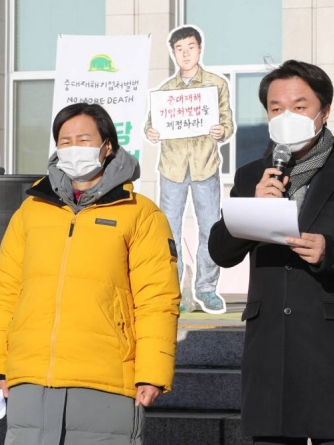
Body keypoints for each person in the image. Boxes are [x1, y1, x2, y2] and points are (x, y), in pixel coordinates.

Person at [208, 60, 334, 444]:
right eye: (275, 108)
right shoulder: (251, 175)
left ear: (324, 112)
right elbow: (221, 251)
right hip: (271, 347)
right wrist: (253, 205)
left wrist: (332, 250)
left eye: (299, 106)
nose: (285, 116)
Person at [0, 103, 181, 444]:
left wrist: (152, 373)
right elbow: (5, 292)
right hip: (29, 380)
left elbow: (157, 299)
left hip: (106, 381)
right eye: (65, 140)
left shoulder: (141, 214)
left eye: (83, 139)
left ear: (107, 146)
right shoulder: (31, 210)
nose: (73, 148)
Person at [145, 25, 235, 314]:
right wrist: (151, 132)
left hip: (204, 166)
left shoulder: (216, 84)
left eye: (190, 47)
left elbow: (228, 122)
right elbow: (151, 124)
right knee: (169, 231)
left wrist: (222, 131)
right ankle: (173, 290)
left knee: (210, 228)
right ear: (173, 53)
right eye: (179, 49)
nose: (185, 53)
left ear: (199, 49)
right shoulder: (164, 91)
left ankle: (206, 288)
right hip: (171, 168)